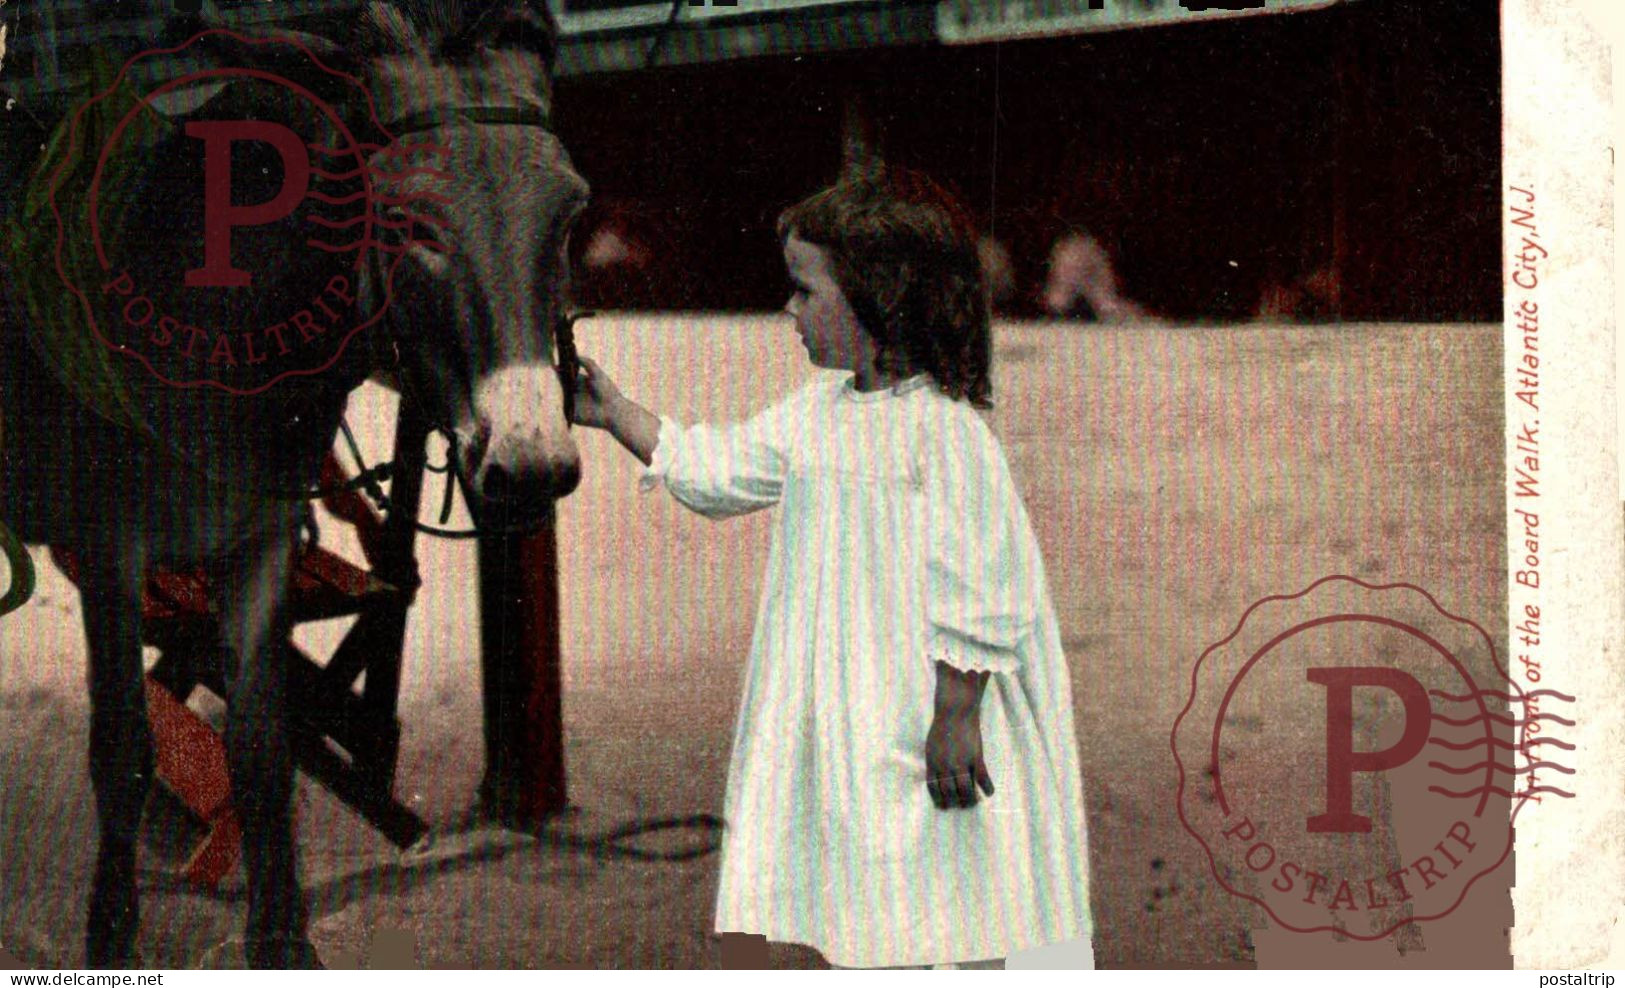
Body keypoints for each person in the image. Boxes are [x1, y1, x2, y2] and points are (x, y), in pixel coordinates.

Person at [570, 169, 1094, 970]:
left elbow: (987, 585)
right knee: (866, 864)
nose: (789, 310)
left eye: (805, 291)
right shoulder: (815, 414)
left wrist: (957, 712)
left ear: (881, 298)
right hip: (847, 698)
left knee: (945, 860)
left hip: (928, 697)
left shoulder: (943, 433)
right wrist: (615, 413)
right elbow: (717, 470)